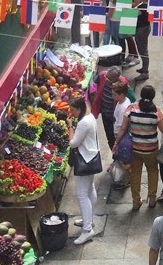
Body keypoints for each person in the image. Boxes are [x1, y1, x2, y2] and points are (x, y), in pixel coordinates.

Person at [127, 84, 163, 210]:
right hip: (151, 149)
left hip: (135, 148)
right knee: (153, 171)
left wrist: (117, 143)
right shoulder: (157, 111)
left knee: (135, 174)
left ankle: (136, 201)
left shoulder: (131, 108)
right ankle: (152, 199)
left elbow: (123, 127)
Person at [67, 96, 100, 245]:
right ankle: (89, 220)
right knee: (90, 190)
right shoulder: (90, 117)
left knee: (81, 194)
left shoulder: (83, 123)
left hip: (85, 159)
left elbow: (73, 143)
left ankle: (87, 230)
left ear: (79, 109)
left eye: (73, 110)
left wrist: (70, 127)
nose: (71, 113)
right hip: (92, 156)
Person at [90, 65, 129, 150]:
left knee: (118, 136)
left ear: (116, 79)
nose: (106, 80)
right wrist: (92, 94)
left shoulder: (122, 83)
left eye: (109, 80)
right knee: (110, 137)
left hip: (116, 116)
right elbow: (94, 86)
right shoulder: (102, 75)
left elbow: (126, 97)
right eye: (106, 77)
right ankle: (114, 153)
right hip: (105, 114)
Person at [110, 80, 133, 190]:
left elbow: (122, 127)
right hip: (121, 135)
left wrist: (116, 142)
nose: (112, 96)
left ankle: (127, 179)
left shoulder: (123, 107)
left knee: (125, 161)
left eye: (114, 94)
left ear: (121, 95)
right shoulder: (123, 102)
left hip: (122, 137)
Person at [133, 0, 151, 82]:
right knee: (142, 49)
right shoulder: (145, 5)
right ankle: (144, 68)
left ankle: (145, 72)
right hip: (144, 28)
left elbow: (136, 13)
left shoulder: (143, 6)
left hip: (142, 29)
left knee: (143, 50)